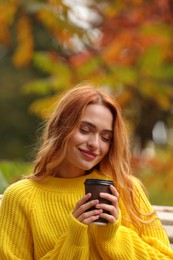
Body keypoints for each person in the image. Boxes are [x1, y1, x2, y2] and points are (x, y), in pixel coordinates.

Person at [0, 84, 173, 260]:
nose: (95, 144)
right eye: (85, 130)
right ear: (61, 127)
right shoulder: (22, 197)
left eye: (106, 137)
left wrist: (112, 235)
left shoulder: (125, 188)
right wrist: (74, 239)